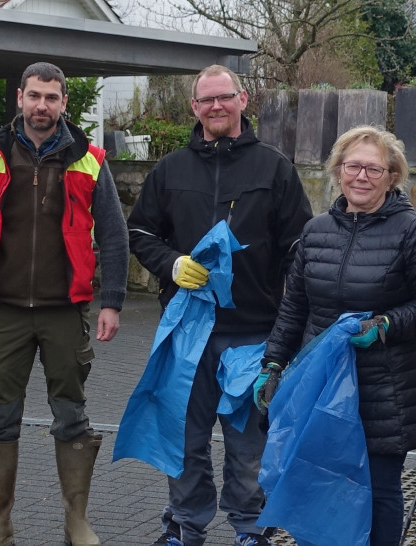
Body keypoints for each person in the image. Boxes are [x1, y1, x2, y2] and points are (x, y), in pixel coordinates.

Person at [127, 64, 313, 546]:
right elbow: (140, 232)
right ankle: (185, 527)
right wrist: (170, 264)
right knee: (184, 441)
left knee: (248, 445)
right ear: (194, 106)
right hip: (186, 331)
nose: (215, 106)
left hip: (253, 332)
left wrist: (298, 322)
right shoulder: (170, 169)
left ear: (242, 99)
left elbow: (300, 246)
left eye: (224, 97)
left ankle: (251, 530)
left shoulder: (274, 167)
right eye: (206, 100)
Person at [256, 125, 416, 546]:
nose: (361, 176)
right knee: (321, 487)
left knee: (378, 492)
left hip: (383, 390)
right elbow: (295, 307)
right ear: (338, 171)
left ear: (392, 176)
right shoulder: (316, 230)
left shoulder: (412, 231)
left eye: (373, 169)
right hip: (322, 388)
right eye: (353, 166)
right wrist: (271, 363)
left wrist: (384, 325)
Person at [0, 62, 129, 546]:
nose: (41, 106)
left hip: (65, 310)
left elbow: (113, 233)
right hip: (0, 310)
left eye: (51, 97)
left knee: (71, 414)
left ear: (65, 102)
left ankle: (76, 521)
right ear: (20, 99)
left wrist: (112, 301)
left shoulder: (89, 157)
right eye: (34, 96)